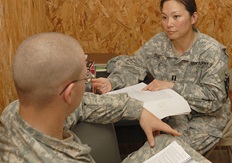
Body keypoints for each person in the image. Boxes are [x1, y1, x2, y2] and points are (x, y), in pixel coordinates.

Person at [0, 32, 211, 162]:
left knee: (165, 143)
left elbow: (82, 105)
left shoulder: (13, 113)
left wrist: (138, 110)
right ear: (69, 93)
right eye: (86, 78)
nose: (89, 81)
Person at [93, 0, 231, 155]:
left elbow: (213, 98)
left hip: (204, 119)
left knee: (168, 153)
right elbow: (135, 65)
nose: (169, 24)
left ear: (193, 18)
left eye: (176, 16)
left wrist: (172, 86)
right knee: (154, 149)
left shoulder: (212, 52)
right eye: (164, 17)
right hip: (171, 114)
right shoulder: (160, 43)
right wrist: (113, 82)